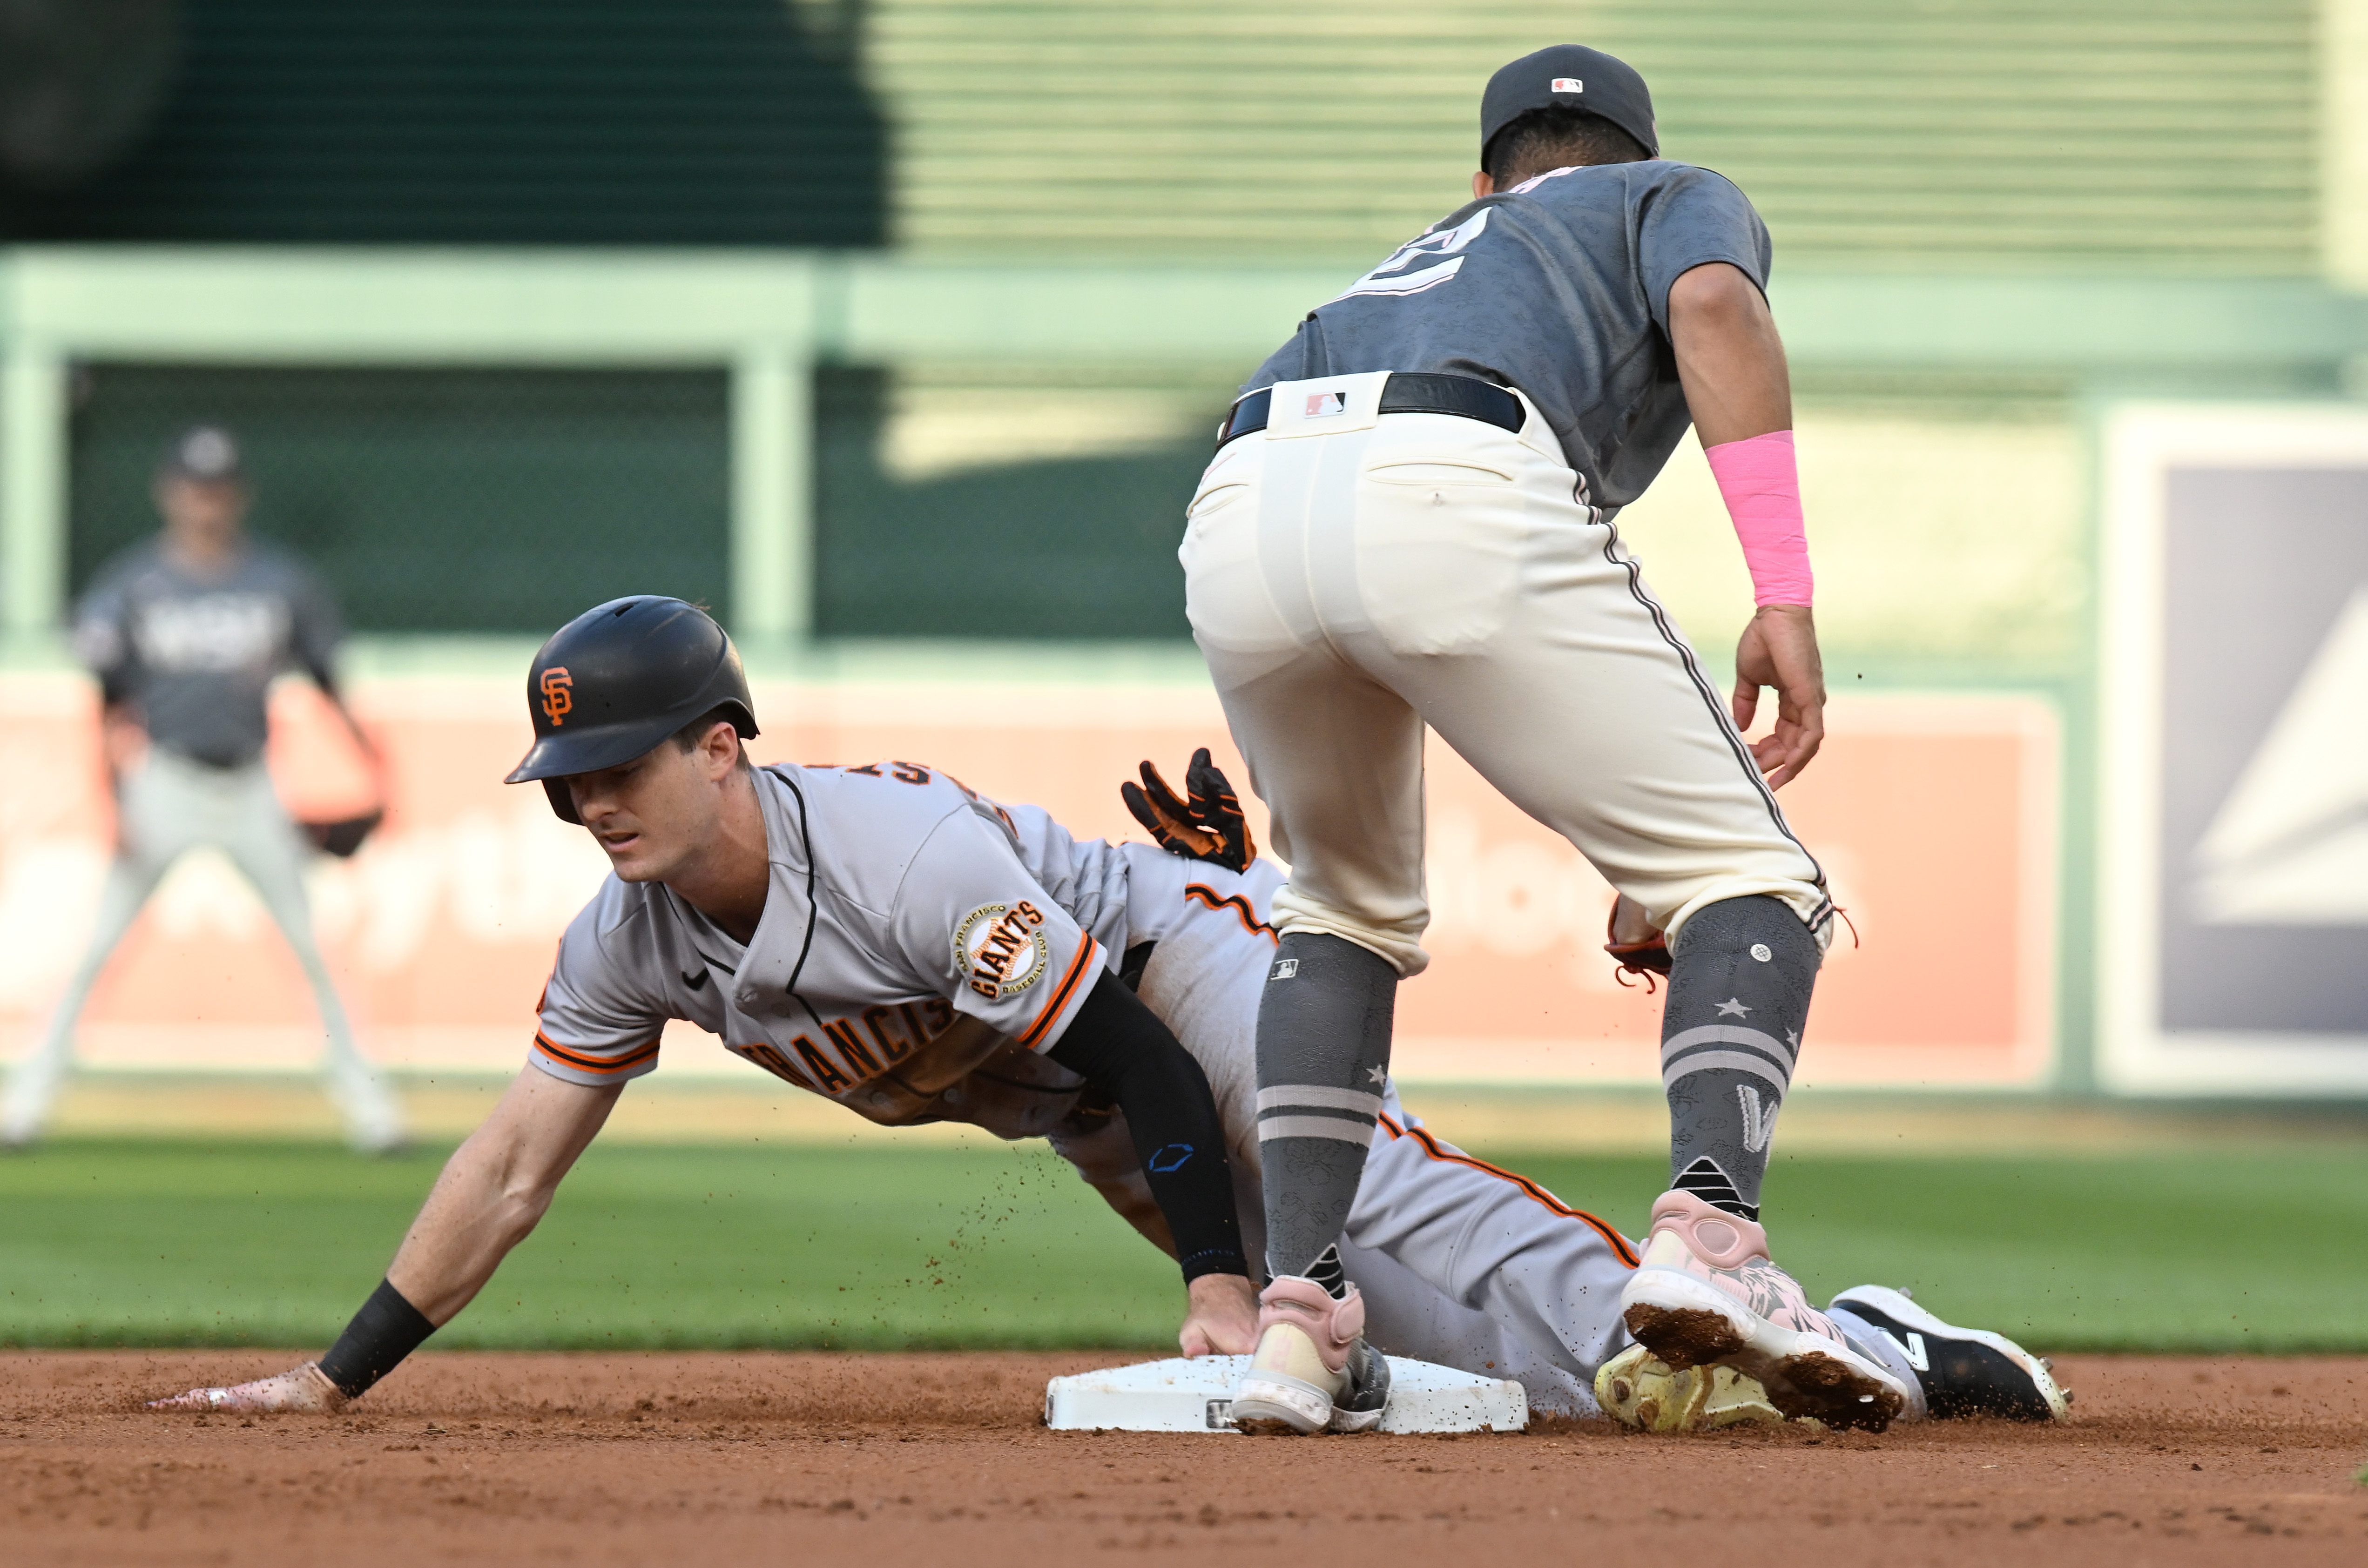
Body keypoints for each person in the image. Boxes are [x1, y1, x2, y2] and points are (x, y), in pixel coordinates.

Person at [147, 599, 2068, 1435]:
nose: (594, 801)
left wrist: (1226, 1289)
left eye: (624, 761)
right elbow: (503, 1163)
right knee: (1414, 1352)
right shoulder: (631, 936)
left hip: (1177, 985)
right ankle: (1780, 1355)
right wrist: (340, 1372)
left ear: (724, 742)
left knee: (1376, 1232)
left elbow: (1145, 1056)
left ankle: (1851, 1330)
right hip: (1080, 1085)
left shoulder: (885, 853)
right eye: (566, 778)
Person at [1177, 43, 1898, 1433]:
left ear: (1484, 175)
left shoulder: (1421, 255)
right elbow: (1711, 302)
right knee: (1759, 882)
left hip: (1246, 496)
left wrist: (1640, 840)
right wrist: (1784, 590)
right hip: (1457, 470)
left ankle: (1300, 1324)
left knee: (1335, 914)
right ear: (1632, 155)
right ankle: (1712, 1243)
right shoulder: (1662, 196)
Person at [0, 425, 404, 1154]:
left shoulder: (278, 582)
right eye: (194, 487)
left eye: (217, 489)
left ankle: (374, 1115)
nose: (206, 502)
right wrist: (111, 797)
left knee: (313, 948)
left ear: (237, 496)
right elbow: (108, 698)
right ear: (169, 492)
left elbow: (327, 679)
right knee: (97, 948)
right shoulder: (134, 582)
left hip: (252, 783)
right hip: (164, 779)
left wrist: (371, 764)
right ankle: (24, 1106)